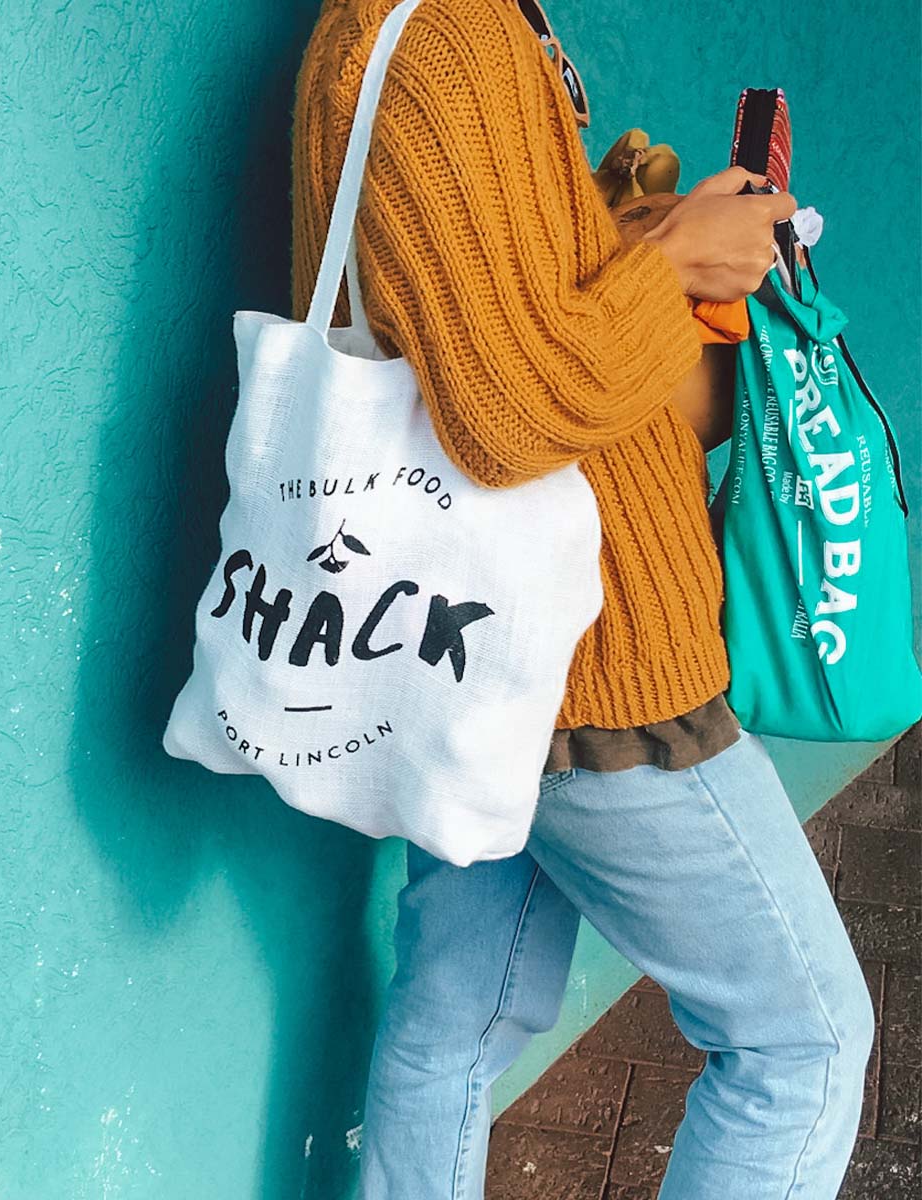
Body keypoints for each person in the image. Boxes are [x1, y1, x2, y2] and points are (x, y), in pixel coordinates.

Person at [289, 0, 876, 1196]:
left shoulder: (464, 25)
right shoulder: (440, 39)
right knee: (801, 1048)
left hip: (499, 656)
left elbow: (485, 321)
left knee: (456, 1026)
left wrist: (622, 230)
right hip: (595, 667)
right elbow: (506, 410)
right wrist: (674, 270)